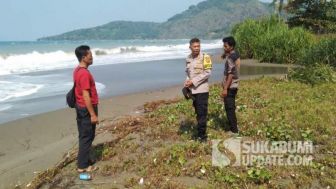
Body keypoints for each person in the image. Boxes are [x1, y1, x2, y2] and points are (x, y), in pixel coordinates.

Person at [73, 45, 99, 173]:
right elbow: (85, 95)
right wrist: (93, 114)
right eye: (90, 55)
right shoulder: (83, 74)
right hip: (86, 109)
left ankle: (85, 158)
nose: (92, 56)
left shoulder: (77, 70)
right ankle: (82, 166)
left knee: (85, 135)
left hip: (81, 108)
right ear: (84, 58)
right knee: (87, 136)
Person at [184, 38, 212, 142]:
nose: (197, 48)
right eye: (194, 46)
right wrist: (187, 82)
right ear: (190, 47)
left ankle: (202, 137)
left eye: (198, 46)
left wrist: (193, 81)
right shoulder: (188, 58)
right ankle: (200, 133)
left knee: (202, 114)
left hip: (202, 90)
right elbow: (188, 73)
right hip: (193, 91)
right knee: (198, 112)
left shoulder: (206, 57)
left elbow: (207, 73)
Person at [221, 36, 240, 135]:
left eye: (225, 46)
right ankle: (234, 126)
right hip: (235, 85)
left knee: (229, 108)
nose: (224, 47)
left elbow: (231, 75)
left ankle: (234, 130)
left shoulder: (231, 58)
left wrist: (225, 88)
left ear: (231, 47)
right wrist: (225, 54)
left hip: (230, 86)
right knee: (231, 106)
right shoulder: (235, 54)